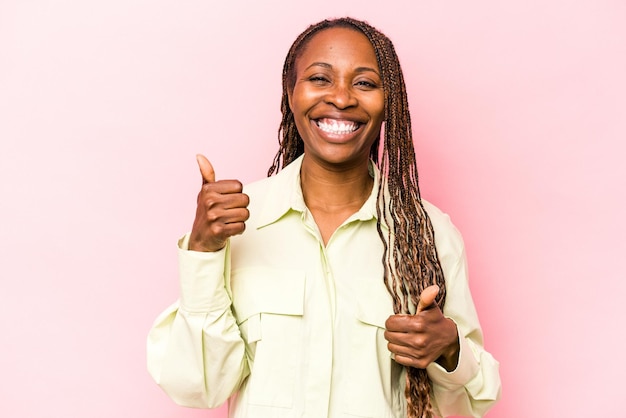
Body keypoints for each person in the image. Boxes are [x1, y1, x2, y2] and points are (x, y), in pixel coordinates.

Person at [147, 17, 501, 418]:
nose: (342, 98)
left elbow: (471, 403)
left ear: (391, 104)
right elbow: (196, 385)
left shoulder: (430, 234)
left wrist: (450, 348)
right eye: (320, 79)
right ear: (291, 93)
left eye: (364, 83)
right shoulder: (234, 225)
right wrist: (202, 251)